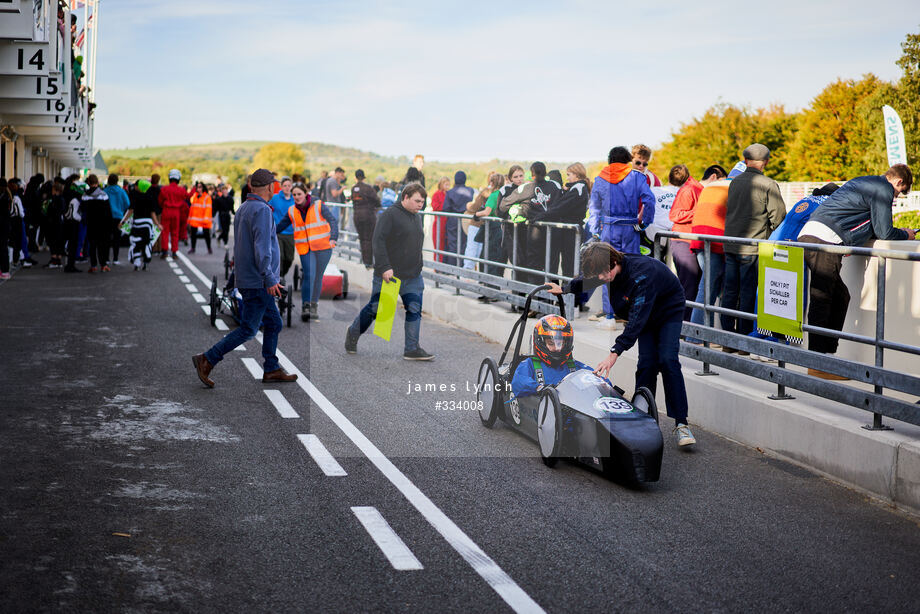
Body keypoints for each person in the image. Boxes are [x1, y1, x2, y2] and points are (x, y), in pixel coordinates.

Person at [547, 242, 697, 447]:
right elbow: (589, 279)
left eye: (603, 273)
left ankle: (681, 424)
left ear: (615, 262)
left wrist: (615, 352)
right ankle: (643, 417)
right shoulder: (606, 269)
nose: (601, 278)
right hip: (644, 311)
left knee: (667, 359)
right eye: (599, 274)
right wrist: (564, 289)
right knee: (646, 363)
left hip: (667, 308)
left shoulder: (641, 275)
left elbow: (636, 321)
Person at [797, 164, 915, 378]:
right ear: (898, 182)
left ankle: (825, 357)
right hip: (825, 240)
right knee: (822, 298)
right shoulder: (883, 189)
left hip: (814, 235)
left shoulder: (865, 181)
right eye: (899, 192)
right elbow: (884, 231)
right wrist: (906, 235)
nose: (895, 198)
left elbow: (860, 221)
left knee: (840, 296)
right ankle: (817, 363)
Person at [193, 169, 298, 387]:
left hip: (250, 278)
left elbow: (242, 247)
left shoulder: (244, 208)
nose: (275, 188)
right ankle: (207, 359)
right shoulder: (262, 210)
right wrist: (269, 278)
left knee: (274, 323)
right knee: (249, 328)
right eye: (274, 185)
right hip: (259, 281)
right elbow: (262, 249)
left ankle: (271, 368)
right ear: (269, 187)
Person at [345, 182, 433, 360]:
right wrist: (385, 267)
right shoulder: (390, 215)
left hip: (412, 276)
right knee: (377, 310)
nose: (420, 205)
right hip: (389, 275)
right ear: (405, 198)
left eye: (422, 202)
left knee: (414, 309)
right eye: (417, 201)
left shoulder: (416, 216)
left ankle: (412, 349)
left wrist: (419, 265)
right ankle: (353, 332)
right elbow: (378, 241)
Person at [721, 144, 786, 341]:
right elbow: (779, 217)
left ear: (745, 160)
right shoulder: (768, 184)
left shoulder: (734, 182)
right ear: (766, 162)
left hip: (730, 244)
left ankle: (726, 338)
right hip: (753, 247)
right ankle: (743, 338)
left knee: (730, 292)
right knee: (748, 292)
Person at [587, 146, 655, 327]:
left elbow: (593, 208)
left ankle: (610, 317)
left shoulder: (601, 179)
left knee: (606, 271)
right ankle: (632, 315)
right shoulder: (637, 177)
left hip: (609, 229)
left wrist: (595, 230)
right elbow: (649, 200)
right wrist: (644, 223)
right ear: (627, 160)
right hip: (630, 229)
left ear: (610, 160)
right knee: (632, 271)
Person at [276, 183, 339, 321]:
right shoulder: (292, 210)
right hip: (305, 248)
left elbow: (333, 221)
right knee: (309, 274)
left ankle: (314, 305)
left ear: (306, 194)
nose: (297, 197)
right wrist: (266, 234)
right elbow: (280, 226)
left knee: (318, 277)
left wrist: (333, 238)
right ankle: (306, 305)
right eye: (294, 195)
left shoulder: (318, 205)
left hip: (323, 247)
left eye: (299, 194)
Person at [688, 164, 735, 339]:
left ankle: (705, 335)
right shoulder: (734, 187)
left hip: (700, 241)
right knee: (708, 289)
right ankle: (696, 336)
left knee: (710, 287)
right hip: (715, 243)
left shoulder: (710, 187)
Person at [530, 162, 591, 281]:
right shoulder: (576, 187)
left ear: (577, 175)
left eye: (569, 174)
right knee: (567, 265)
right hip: (568, 230)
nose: (567, 178)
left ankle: (570, 297)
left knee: (570, 265)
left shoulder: (578, 188)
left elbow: (561, 207)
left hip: (572, 231)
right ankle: (564, 295)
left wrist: (541, 216)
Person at [511, 315, 592, 399]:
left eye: (560, 343)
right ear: (540, 342)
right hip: (540, 409)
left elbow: (595, 379)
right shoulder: (529, 364)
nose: (557, 349)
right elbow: (519, 382)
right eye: (551, 343)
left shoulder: (574, 366)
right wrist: (539, 388)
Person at [121, 179, 161, 271]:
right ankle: (146, 261)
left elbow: (131, 211)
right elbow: (152, 213)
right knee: (146, 243)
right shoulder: (150, 197)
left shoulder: (135, 196)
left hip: (137, 224)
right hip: (147, 225)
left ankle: (137, 263)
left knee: (136, 243)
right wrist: (157, 224)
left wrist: (123, 222)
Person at [350, 169, 380, 268]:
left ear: (355, 177)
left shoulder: (353, 189)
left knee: (362, 238)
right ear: (363, 177)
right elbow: (377, 201)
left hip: (357, 216)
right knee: (369, 238)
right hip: (368, 215)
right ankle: (369, 261)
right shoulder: (368, 188)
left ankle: (365, 260)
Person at [81, 174, 111, 273]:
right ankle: (103, 265)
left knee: (92, 245)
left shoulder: (85, 196)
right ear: (97, 183)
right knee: (102, 245)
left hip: (90, 223)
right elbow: (108, 211)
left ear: (88, 183)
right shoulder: (103, 195)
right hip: (102, 224)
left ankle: (93, 265)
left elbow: (82, 210)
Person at [443, 171, 474, 266]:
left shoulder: (450, 192)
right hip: (465, 218)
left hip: (453, 219)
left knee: (453, 243)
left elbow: (445, 208)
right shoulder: (470, 190)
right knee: (464, 244)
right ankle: (461, 266)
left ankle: (452, 267)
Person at [158, 169, 189, 259]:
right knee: (175, 233)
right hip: (176, 212)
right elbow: (187, 197)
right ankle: (174, 252)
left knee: (165, 232)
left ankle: (165, 251)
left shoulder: (164, 189)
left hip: (166, 211)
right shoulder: (181, 190)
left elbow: (160, 201)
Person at [268, 176, 295, 275]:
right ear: (281, 187)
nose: (287, 188)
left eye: (289, 186)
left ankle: (282, 275)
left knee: (289, 258)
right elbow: (265, 207)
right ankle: (278, 276)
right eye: (285, 186)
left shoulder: (295, 199)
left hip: (290, 232)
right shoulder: (275, 198)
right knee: (280, 256)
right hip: (277, 232)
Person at [104, 173, 130, 265]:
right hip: (119, 217)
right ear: (117, 181)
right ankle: (115, 259)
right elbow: (127, 204)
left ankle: (106, 258)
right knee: (117, 238)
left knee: (106, 238)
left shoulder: (105, 191)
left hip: (107, 217)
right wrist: (121, 209)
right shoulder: (121, 191)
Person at [187, 182, 213, 254]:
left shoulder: (207, 197)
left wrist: (206, 219)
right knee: (193, 235)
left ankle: (209, 248)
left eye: (200, 187)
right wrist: (189, 220)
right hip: (195, 220)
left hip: (204, 220)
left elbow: (208, 209)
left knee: (206, 235)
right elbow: (192, 208)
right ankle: (193, 248)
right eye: (197, 187)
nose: (198, 189)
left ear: (203, 188)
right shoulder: (195, 196)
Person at [429, 177, 450, 263]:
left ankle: (445, 266)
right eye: (446, 184)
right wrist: (446, 207)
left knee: (447, 245)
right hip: (439, 223)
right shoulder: (436, 194)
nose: (448, 186)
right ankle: (437, 266)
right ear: (441, 184)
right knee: (438, 244)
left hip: (448, 223)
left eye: (449, 185)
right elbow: (435, 206)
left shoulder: (449, 194)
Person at [0, 179, 12, 280]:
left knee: (3, 249)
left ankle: (5, 270)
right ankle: (4, 270)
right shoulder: (7, 197)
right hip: (5, 227)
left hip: (3, 227)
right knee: (3, 249)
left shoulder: (4, 198)